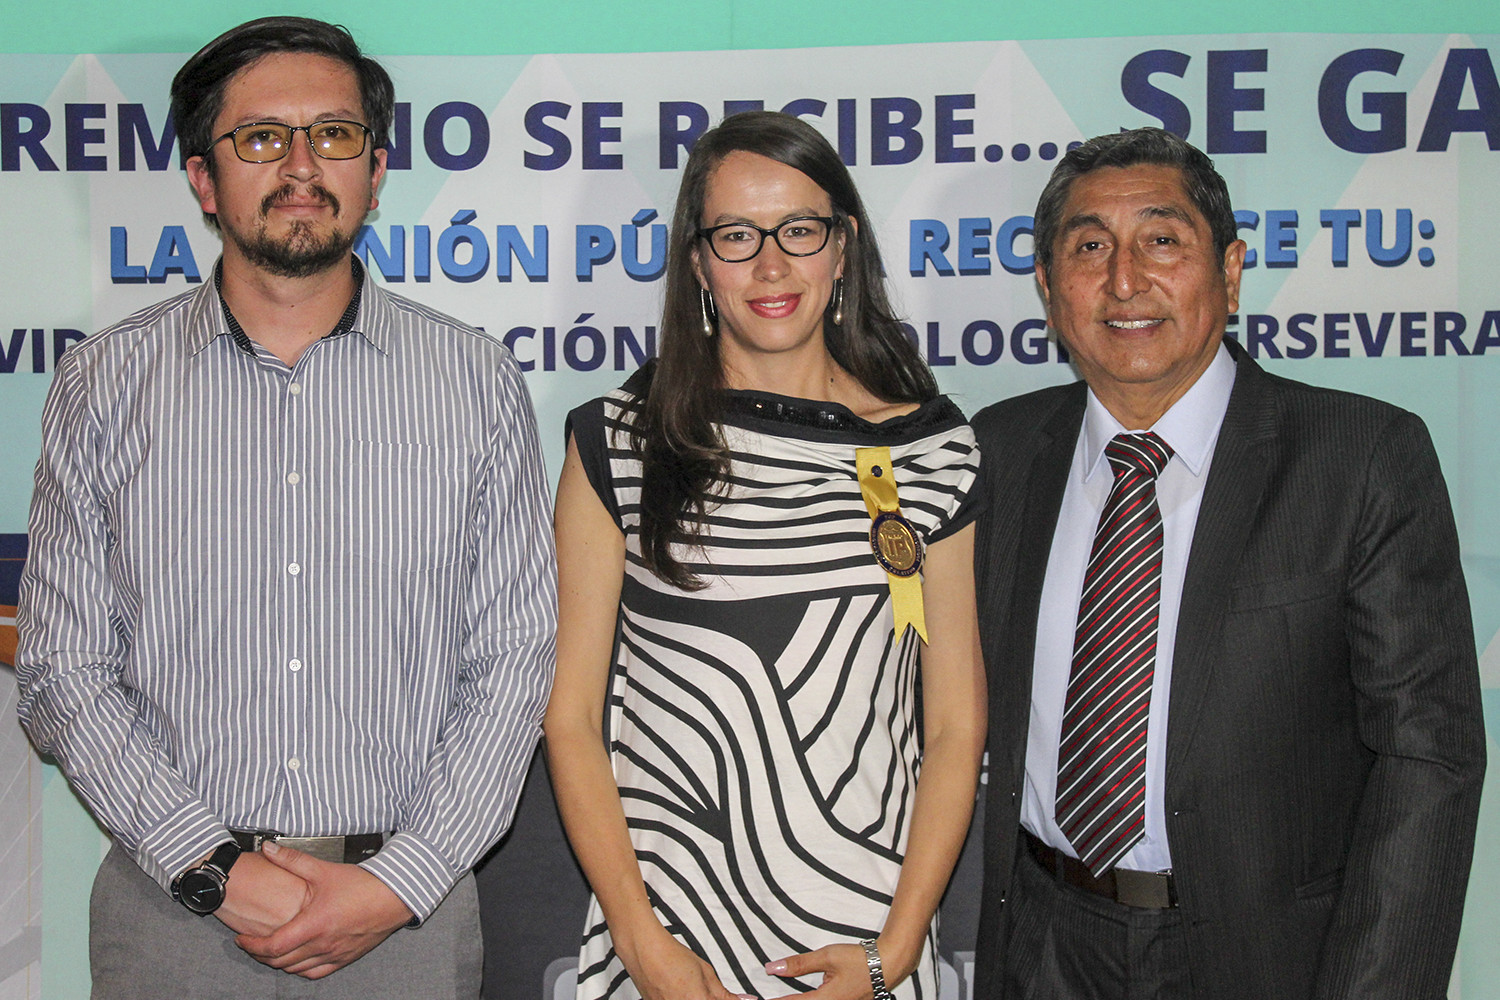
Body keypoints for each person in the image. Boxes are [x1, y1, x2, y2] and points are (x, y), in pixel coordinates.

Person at [15, 16, 555, 997]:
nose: (302, 165)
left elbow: (515, 658)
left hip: (408, 921)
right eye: (263, 136)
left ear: (376, 171)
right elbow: (62, 668)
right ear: (203, 178)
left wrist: (402, 879)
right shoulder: (104, 386)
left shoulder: (476, 383)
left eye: (334, 134)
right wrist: (212, 866)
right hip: (172, 908)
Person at [970, 126, 1484, 999]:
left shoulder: (1358, 457)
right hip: (1044, 945)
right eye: (1090, 247)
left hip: (1271, 958)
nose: (1125, 280)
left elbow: (1426, 761)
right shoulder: (1000, 451)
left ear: (1233, 272)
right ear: (1050, 291)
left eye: (1162, 240)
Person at [544, 110, 986, 1000]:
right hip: (673, 947)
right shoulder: (618, 442)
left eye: (799, 230)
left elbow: (953, 727)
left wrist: (893, 953)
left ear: (842, 246)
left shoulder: (931, 450)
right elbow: (574, 721)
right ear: (698, 261)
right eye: (738, 236)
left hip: (866, 937)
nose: (772, 265)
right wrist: (642, 945)